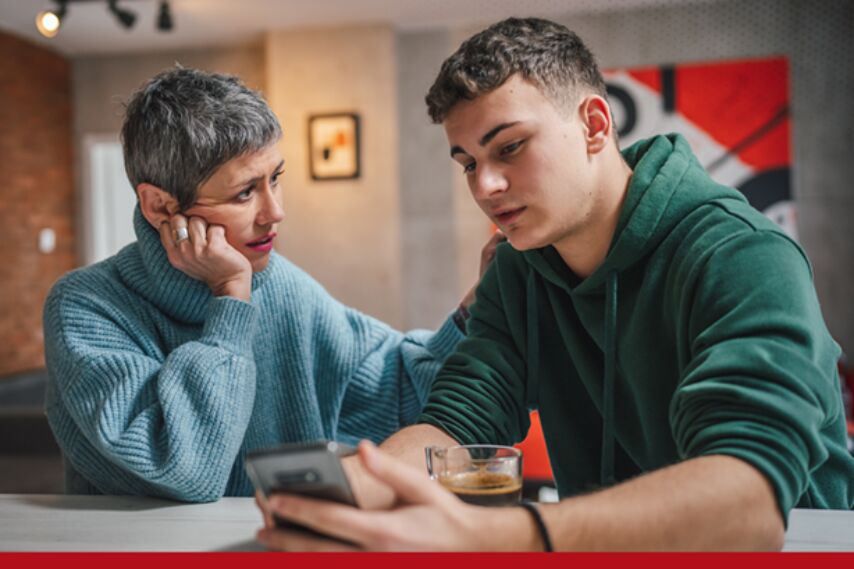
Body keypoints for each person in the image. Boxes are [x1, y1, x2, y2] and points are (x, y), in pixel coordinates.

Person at [256, 17, 854, 551]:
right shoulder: (517, 268)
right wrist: (363, 485)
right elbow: (458, 420)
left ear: (594, 123)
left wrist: (510, 537)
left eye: (509, 147)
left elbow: (748, 503)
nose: (484, 186)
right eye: (467, 163)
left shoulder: (741, 254)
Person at [43, 67, 502, 502]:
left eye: (275, 180)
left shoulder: (282, 286)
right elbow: (184, 470)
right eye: (245, 192)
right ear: (161, 206)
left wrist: (476, 308)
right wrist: (229, 299)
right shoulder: (85, 308)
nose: (274, 211)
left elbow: (399, 388)